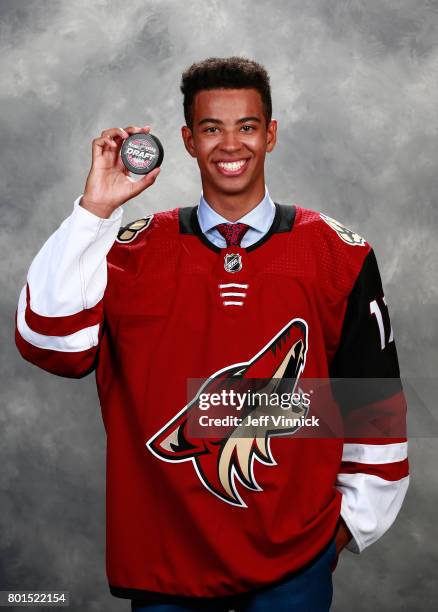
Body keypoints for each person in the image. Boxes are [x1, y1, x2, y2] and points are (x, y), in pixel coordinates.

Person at [15, 57, 409, 611]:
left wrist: (338, 534)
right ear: (186, 140)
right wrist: (95, 210)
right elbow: (53, 345)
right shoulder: (127, 250)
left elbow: (372, 409)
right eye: (211, 128)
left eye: (246, 126)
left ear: (270, 135)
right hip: (163, 563)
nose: (231, 145)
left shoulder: (336, 254)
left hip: (293, 564)